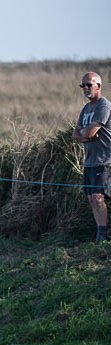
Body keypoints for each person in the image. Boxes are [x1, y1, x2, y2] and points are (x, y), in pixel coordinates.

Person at [73, 72, 111, 242]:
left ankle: (102, 236)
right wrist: (85, 136)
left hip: (104, 160)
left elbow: (91, 131)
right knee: (91, 198)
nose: (86, 88)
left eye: (89, 85)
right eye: (83, 86)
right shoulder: (86, 108)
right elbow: (76, 134)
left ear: (99, 86)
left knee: (98, 197)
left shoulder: (103, 106)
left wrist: (85, 134)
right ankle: (99, 232)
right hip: (89, 160)